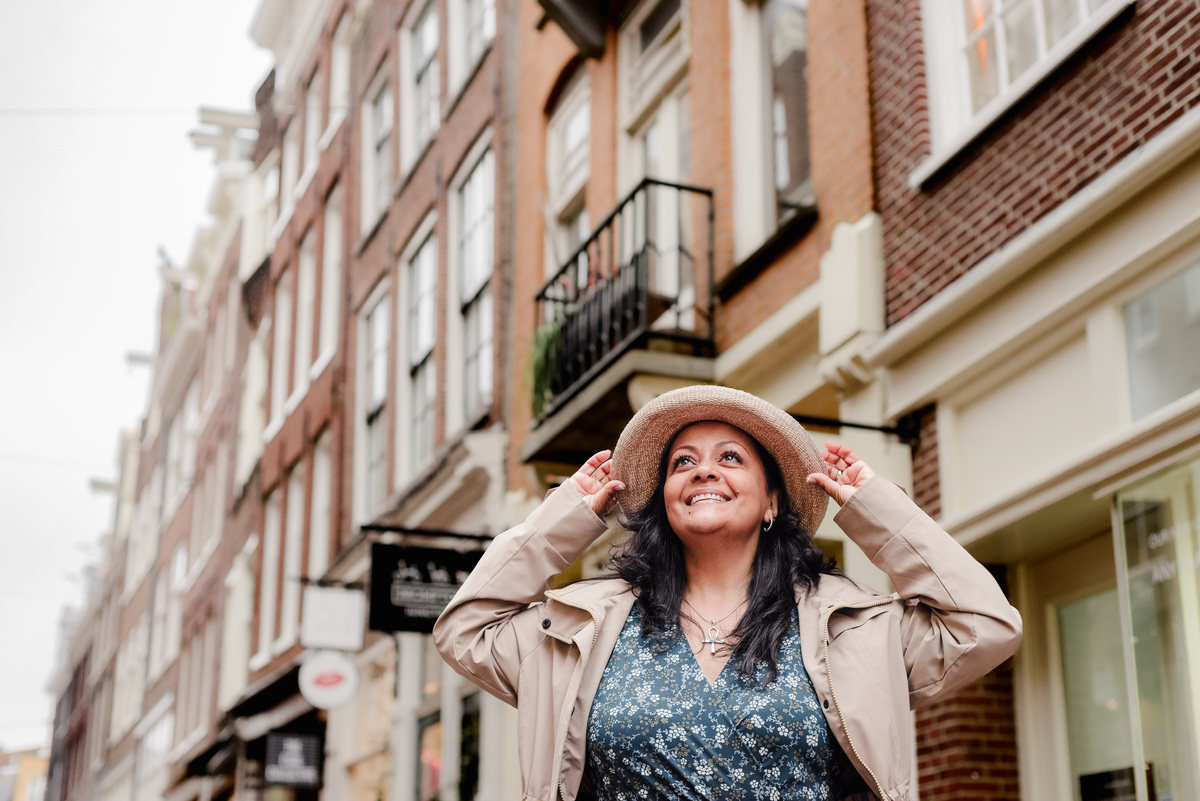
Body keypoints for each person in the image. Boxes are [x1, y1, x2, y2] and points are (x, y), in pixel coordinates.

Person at [434, 385, 1021, 801]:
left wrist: (876, 510)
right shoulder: (582, 627)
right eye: (682, 462)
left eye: (731, 458)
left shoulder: (851, 629)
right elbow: (466, 628)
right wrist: (564, 518)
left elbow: (985, 624)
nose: (703, 471)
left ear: (771, 502)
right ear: (665, 502)